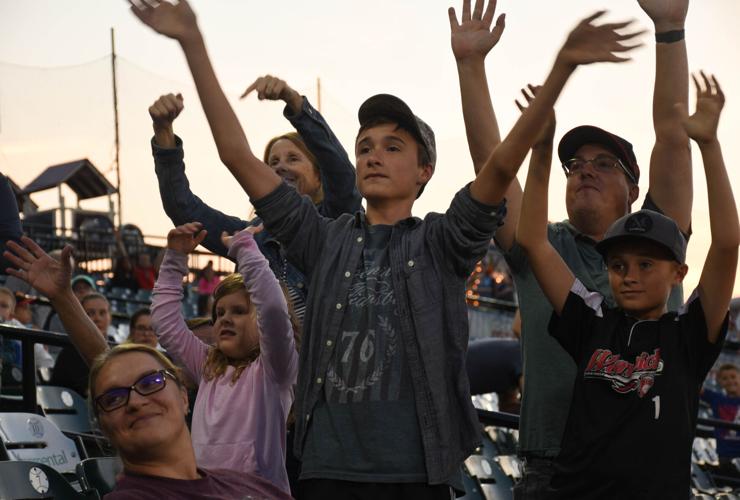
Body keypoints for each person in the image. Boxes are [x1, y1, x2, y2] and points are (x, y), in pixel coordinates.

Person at [125, 0, 626, 496]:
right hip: (326, 469)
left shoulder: (441, 241)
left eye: (392, 146)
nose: (373, 156)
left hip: (416, 474)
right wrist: (192, 40)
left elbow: (496, 167)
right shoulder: (323, 239)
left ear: (424, 170)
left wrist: (539, 68)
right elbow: (236, 154)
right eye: (364, 146)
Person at [452, 0, 695, 495]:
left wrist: (670, 29)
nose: (584, 168)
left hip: (646, 463)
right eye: (575, 163)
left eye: (603, 163)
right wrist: (470, 66)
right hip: (551, 467)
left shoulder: (659, 238)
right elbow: (492, 165)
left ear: (633, 189)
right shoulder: (543, 245)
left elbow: (672, 136)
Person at [514, 68, 736, 497]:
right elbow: (534, 242)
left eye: (646, 264)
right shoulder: (593, 320)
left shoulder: (688, 334)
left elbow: (727, 244)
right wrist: (541, 149)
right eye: (618, 265)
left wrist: (709, 146)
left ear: (678, 273)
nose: (630, 276)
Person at [149, 75, 362, 325]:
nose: (280, 167)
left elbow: (343, 176)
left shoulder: (338, 221)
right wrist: (163, 133)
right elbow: (182, 207)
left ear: (319, 176)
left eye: (293, 159)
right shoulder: (250, 238)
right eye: (273, 162)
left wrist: (294, 103)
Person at [150, 222, 298, 493]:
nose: (226, 319)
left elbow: (274, 309)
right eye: (219, 313)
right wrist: (174, 260)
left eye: (239, 311)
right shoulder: (208, 366)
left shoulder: (274, 370)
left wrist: (246, 251)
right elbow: (165, 323)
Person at [50, 292, 114, 397]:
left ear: (110, 317)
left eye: (102, 313)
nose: (97, 318)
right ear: (80, 319)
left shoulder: (119, 349)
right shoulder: (68, 353)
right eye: (90, 313)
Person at [702, 363, 740, 476]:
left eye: (733, 377)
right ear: (719, 382)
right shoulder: (717, 399)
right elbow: (697, 388)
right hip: (725, 455)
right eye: (725, 378)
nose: (729, 381)